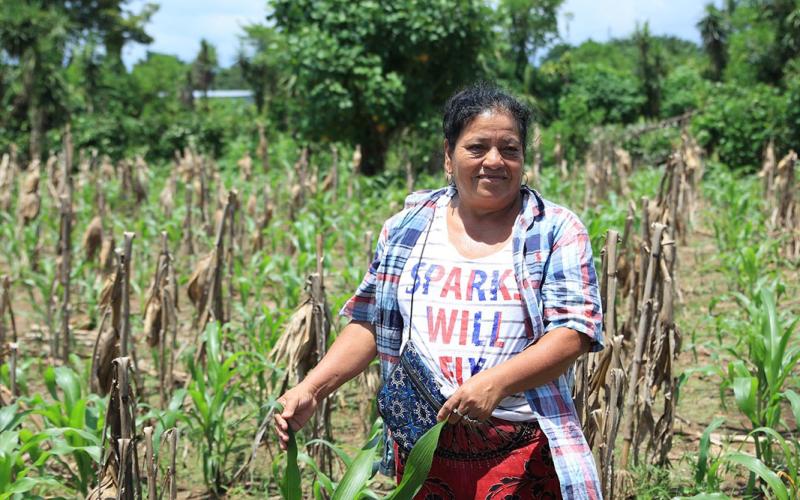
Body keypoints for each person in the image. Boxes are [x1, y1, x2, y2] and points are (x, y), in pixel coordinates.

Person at [274, 82, 604, 499]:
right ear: (448, 157)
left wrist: (496, 383)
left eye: (510, 149)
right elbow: (373, 324)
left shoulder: (554, 230)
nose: (494, 161)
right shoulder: (408, 228)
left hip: (522, 444)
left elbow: (573, 333)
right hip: (425, 446)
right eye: (477, 147)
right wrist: (312, 389)